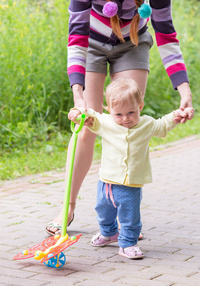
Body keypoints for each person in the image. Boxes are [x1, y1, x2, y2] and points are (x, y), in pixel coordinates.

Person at [46, 0, 194, 236]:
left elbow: (167, 35)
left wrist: (184, 89)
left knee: (129, 124)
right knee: (87, 126)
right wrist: (78, 95)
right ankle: (68, 207)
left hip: (132, 43)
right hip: (90, 42)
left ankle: (125, 220)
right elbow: (76, 39)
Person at [68, 77, 194, 259]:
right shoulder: (105, 122)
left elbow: (163, 123)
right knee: (102, 210)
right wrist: (78, 113)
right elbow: (89, 116)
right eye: (119, 114)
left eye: (131, 113)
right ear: (110, 110)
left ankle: (128, 243)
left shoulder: (147, 124)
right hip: (106, 182)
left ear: (140, 106)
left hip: (130, 184)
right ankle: (108, 233)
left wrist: (178, 114)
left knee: (129, 217)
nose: (125, 119)